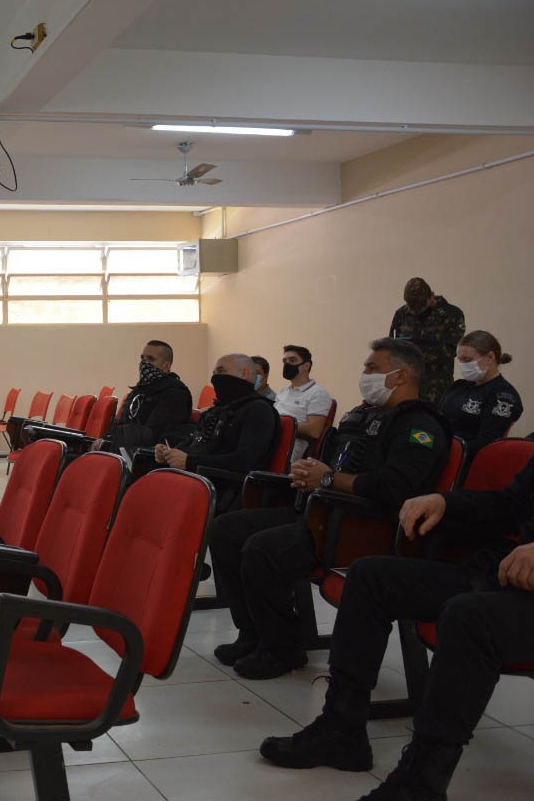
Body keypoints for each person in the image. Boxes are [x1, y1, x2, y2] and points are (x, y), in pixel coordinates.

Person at [258, 456, 534, 801]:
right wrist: (444, 501)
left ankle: (422, 782)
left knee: (469, 616)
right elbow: (510, 504)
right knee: (369, 576)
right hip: (510, 575)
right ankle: (341, 730)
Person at [207, 339, 450, 680]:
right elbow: (339, 467)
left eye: (372, 368)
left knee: (263, 549)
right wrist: (311, 472)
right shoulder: (366, 416)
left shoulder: (420, 426)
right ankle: (252, 633)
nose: (364, 375)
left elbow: (395, 487)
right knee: (226, 529)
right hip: (326, 512)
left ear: (400, 376)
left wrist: (330, 479)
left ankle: (282, 647)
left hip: (362, 526)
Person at [155, 353, 279, 511]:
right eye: (214, 373)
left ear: (244, 373)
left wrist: (190, 462)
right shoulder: (219, 409)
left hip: (224, 490)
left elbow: (246, 461)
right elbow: (197, 441)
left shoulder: (258, 410)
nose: (215, 378)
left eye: (221, 371)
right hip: (196, 480)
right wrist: (171, 452)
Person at [439, 330, 522, 460]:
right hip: (438, 451)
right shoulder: (458, 387)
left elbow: (486, 443)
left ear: (490, 357)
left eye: (467, 360)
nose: (463, 365)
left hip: (465, 460)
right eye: (460, 360)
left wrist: (444, 451)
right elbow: (438, 420)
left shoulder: (503, 396)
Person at [102, 340, 193, 451]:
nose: (144, 363)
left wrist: (118, 435)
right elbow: (121, 423)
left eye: (150, 359)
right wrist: (105, 439)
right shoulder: (140, 389)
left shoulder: (176, 393)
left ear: (166, 366)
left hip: (147, 456)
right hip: (123, 448)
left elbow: (153, 433)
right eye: (142, 358)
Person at [389, 277, 465, 406]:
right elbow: (392, 345)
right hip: (407, 384)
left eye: (420, 308)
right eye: (412, 308)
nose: (416, 312)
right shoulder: (402, 313)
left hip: (437, 386)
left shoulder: (452, 314)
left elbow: (451, 350)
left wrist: (414, 355)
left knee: (432, 423)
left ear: (432, 296)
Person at [273, 344, 333, 460]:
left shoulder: (318, 393)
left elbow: (314, 430)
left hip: (287, 449)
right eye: (284, 361)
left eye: (292, 360)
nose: (287, 364)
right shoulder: (283, 391)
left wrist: (278, 422)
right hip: (270, 438)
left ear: (306, 366)